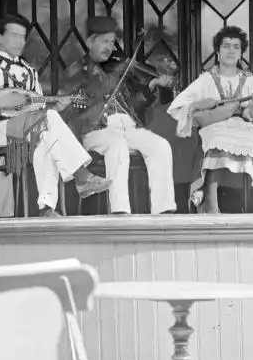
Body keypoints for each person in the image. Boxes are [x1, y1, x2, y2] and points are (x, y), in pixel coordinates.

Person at [0, 14, 109, 218]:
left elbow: (39, 109)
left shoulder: (30, 71)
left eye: (23, 37)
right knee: (47, 124)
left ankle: (46, 208)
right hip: (0, 131)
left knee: (46, 140)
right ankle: (81, 175)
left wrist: (57, 106)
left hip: (31, 129)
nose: (20, 41)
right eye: (14, 35)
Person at [62, 16, 177, 215]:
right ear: (90, 42)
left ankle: (164, 210)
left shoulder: (117, 67)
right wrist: (103, 84)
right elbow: (72, 109)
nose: (109, 47)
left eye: (112, 42)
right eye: (104, 41)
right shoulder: (77, 71)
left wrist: (153, 84)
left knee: (160, 146)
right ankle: (120, 211)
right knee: (117, 145)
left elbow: (137, 102)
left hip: (129, 127)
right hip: (97, 129)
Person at [167, 26, 253, 213]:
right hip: (214, 125)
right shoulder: (206, 79)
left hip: (243, 127)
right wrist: (200, 104)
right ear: (217, 51)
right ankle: (211, 201)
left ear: (241, 53)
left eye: (236, 47)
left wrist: (251, 106)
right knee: (218, 137)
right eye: (226, 46)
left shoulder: (250, 81)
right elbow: (177, 107)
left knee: (251, 139)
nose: (231, 51)